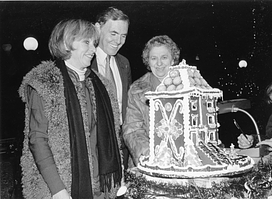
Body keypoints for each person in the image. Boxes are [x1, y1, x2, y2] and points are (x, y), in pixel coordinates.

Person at [18, 19, 123, 199]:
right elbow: (37, 139)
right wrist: (58, 190)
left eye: (94, 43)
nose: (93, 49)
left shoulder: (101, 85)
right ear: (67, 43)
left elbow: (111, 136)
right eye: (86, 42)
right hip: (61, 187)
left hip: (100, 187)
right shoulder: (45, 83)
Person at [122, 35, 180, 168]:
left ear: (173, 59)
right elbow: (132, 130)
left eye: (164, 57)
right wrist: (151, 156)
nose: (159, 63)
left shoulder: (188, 85)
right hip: (149, 164)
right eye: (154, 58)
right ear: (148, 61)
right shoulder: (137, 90)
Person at [91, 7, 132, 170]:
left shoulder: (124, 64)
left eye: (123, 36)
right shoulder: (84, 62)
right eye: (113, 33)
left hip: (121, 146)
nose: (118, 41)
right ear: (98, 28)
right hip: (95, 147)